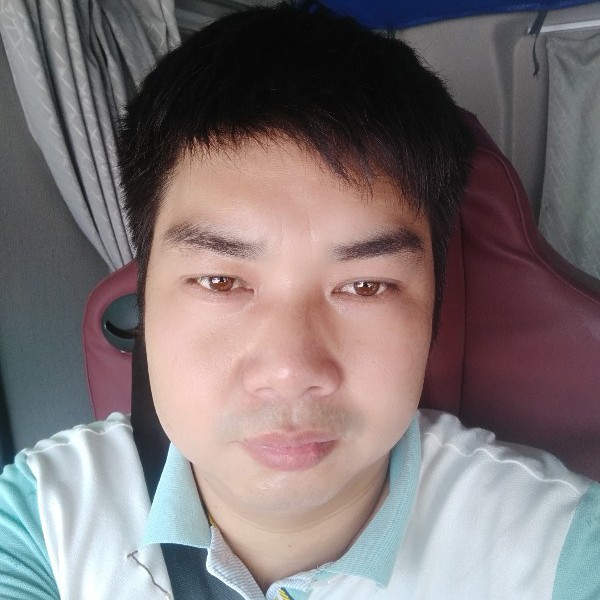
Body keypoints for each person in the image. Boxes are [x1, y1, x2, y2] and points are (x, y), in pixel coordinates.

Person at [0, 2, 598, 599]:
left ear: (432, 313)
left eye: (364, 286)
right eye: (221, 281)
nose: (290, 371)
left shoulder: (558, 550)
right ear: (146, 305)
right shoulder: (42, 524)